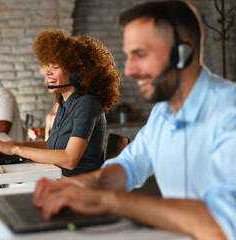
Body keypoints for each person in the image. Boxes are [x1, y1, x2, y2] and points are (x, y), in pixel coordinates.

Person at [32, 1, 236, 239]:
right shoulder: (163, 114)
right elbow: (127, 167)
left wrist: (106, 200)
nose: (128, 69)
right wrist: (74, 187)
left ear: (183, 53)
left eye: (141, 54)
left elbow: (222, 223)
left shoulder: (229, 112)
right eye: (129, 56)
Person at [0, 29, 120, 176]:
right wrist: (14, 144)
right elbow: (52, 145)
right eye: (48, 66)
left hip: (81, 184)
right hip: (59, 177)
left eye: (56, 67)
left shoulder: (87, 104)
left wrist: (16, 150)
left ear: (76, 73)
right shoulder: (64, 103)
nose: (48, 72)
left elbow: (69, 159)